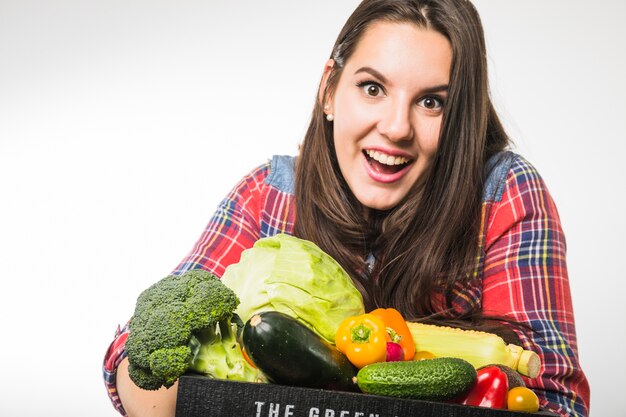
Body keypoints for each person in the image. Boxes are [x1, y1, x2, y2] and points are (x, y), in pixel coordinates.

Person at [103, 0, 590, 416]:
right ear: (330, 90)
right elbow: (141, 352)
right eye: (372, 88)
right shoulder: (268, 196)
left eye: (432, 103)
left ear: (460, 118)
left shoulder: (502, 196)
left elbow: (555, 399)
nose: (396, 127)